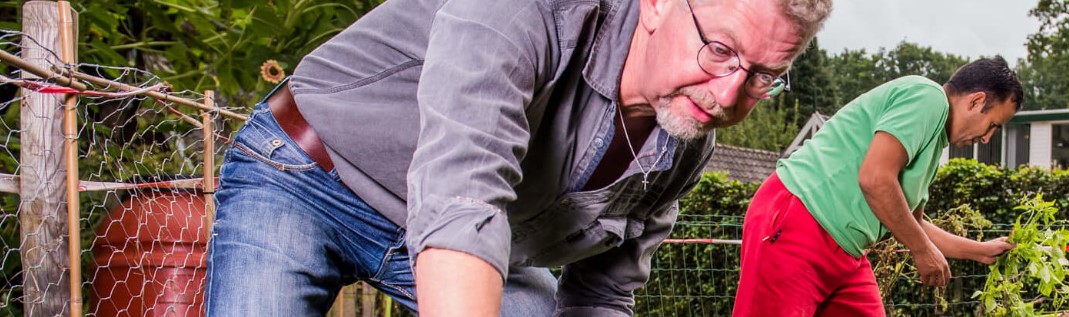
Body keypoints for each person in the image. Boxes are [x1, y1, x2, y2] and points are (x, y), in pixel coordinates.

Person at [203, 0, 830, 315]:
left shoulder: (684, 139)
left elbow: (602, 297)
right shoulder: (531, 10)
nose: (727, 95)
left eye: (762, 76)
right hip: (309, 174)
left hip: (474, 241)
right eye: (720, 50)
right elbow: (462, 197)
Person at [731, 57, 1024, 316]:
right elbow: (875, 178)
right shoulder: (927, 98)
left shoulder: (934, 145)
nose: (987, 139)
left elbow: (913, 223)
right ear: (975, 101)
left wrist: (980, 251)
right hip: (799, 220)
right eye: (993, 125)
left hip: (846, 251)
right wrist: (922, 251)